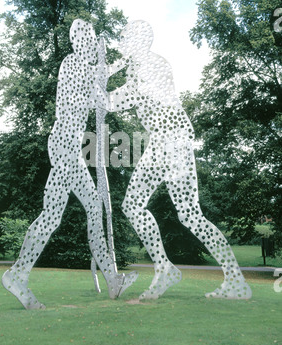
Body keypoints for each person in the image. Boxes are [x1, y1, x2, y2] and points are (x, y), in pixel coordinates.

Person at [106, 20, 252, 300]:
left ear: (139, 40)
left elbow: (130, 94)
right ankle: (232, 279)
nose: (122, 43)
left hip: (168, 140)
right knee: (189, 214)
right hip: (170, 140)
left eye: (125, 38)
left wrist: (102, 89)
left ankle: (166, 268)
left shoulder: (152, 65)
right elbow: (124, 92)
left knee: (135, 205)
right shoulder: (140, 66)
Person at [2, 19, 136, 309]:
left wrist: (118, 63)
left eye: (91, 42)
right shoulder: (74, 66)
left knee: (57, 214)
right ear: (79, 43)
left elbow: (101, 87)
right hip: (65, 147)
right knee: (83, 209)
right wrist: (131, 84)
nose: (89, 46)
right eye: (87, 41)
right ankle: (20, 274)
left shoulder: (79, 68)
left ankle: (19, 274)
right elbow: (107, 99)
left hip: (67, 147)